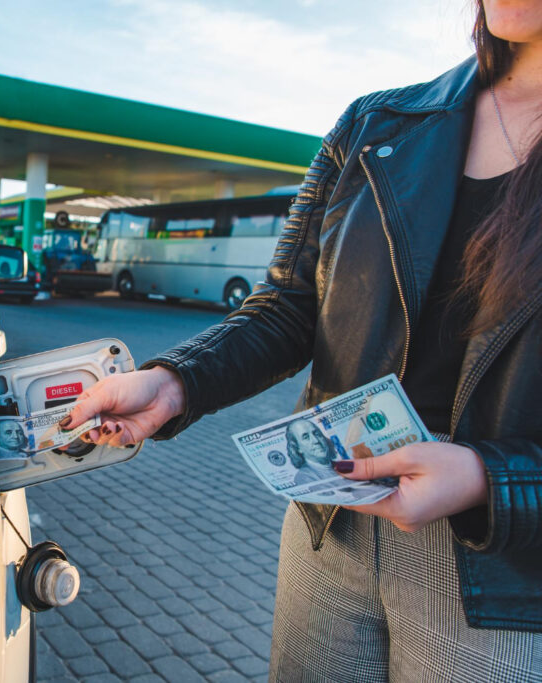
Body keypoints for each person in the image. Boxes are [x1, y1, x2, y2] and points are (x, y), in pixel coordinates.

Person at [61, 1, 542, 678]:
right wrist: (174, 381)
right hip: (333, 523)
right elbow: (289, 307)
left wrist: (489, 480)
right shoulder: (376, 125)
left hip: (504, 578)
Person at [284, 418, 335, 486]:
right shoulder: (305, 477)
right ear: (298, 448)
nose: (316, 441)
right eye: (306, 437)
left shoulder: (342, 465)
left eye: (317, 434)